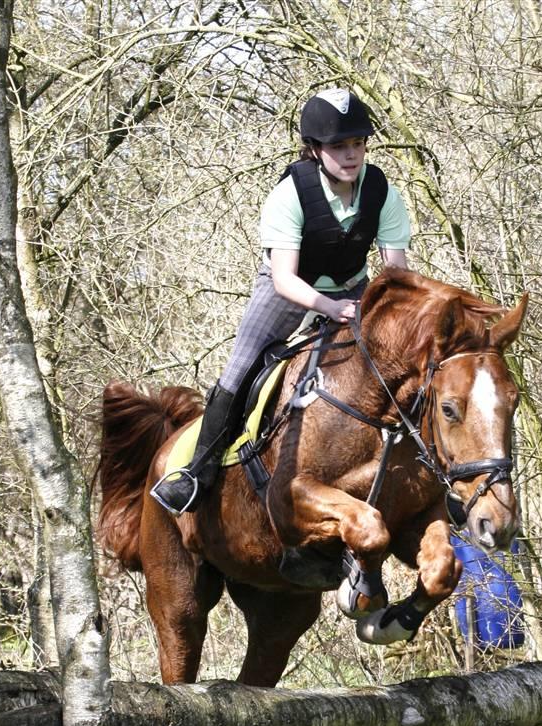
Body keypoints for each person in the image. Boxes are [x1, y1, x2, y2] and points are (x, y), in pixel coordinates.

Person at [151, 87, 411, 515]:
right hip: (288, 287)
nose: (351, 155)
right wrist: (329, 308)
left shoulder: (382, 192)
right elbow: (285, 278)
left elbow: (397, 274)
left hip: (352, 286)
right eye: (339, 146)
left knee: (406, 359)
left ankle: (437, 472)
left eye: (358, 144)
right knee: (241, 367)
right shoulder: (289, 195)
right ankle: (198, 471)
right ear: (314, 149)